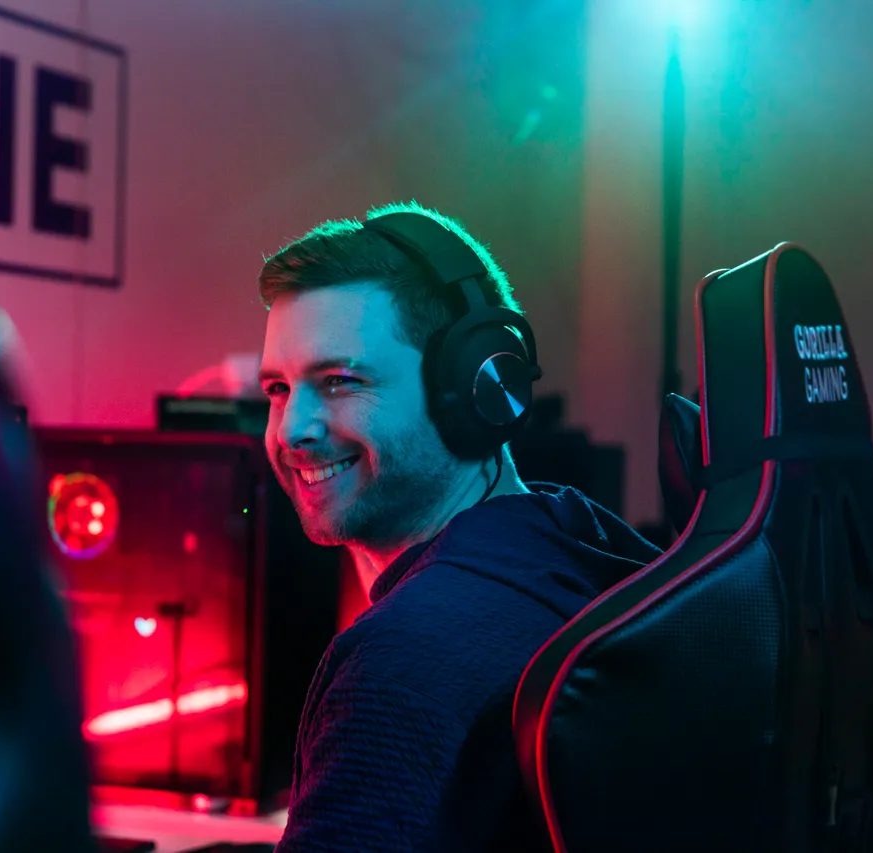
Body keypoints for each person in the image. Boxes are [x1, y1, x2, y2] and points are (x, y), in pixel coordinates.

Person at [255, 201, 662, 850]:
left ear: (474, 388)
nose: (293, 429)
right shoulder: (587, 549)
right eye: (277, 388)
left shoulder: (400, 664)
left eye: (338, 381)